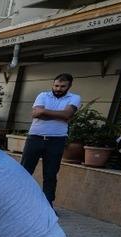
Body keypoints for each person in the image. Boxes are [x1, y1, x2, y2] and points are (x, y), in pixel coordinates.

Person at [20, 73, 81, 207]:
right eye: (56, 85)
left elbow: (67, 114)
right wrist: (60, 116)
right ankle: (18, 202)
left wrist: (45, 112)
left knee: (50, 174)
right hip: (35, 138)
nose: (58, 88)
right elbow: (36, 114)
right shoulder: (43, 95)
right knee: (24, 171)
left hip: (56, 140)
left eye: (62, 86)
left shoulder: (75, 98)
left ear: (69, 86)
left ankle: (47, 205)